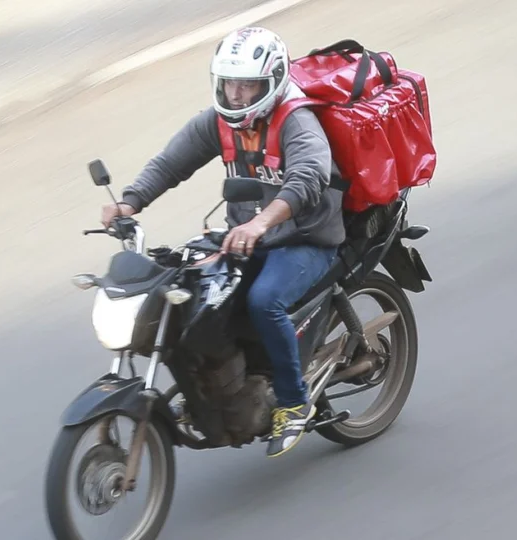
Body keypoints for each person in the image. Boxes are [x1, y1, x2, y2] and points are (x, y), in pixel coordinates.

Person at [99, 26, 345, 457]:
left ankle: (294, 402)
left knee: (263, 301)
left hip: (306, 238)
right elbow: (172, 162)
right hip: (244, 236)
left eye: (247, 85)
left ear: (271, 82)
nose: (235, 94)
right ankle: (215, 386)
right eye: (229, 83)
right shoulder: (219, 121)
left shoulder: (296, 121)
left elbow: (308, 178)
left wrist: (261, 223)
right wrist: (130, 202)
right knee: (191, 293)